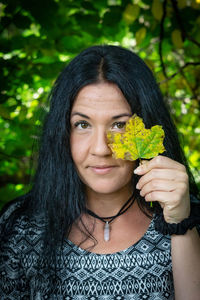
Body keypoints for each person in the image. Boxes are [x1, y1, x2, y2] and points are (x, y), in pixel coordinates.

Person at [0, 45, 200, 300]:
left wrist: (180, 223)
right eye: (82, 124)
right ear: (62, 133)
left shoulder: (190, 219)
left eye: (119, 125)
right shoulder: (21, 229)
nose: (101, 148)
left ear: (148, 126)